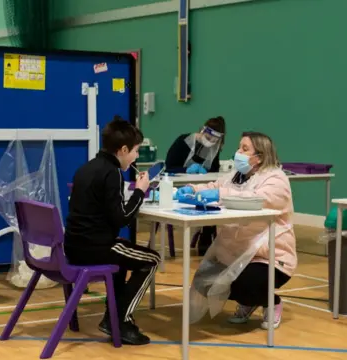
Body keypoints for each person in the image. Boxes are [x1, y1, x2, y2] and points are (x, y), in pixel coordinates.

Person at [180, 131, 297, 329]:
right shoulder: (236, 176)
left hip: (268, 257)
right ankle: (249, 301)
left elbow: (255, 198)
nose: (238, 152)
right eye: (239, 147)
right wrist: (192, 188)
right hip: (236, 253)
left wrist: (219, 194)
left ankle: (271, 302)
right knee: (206, 281)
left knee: (243, 284)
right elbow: (215, 185)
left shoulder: (276, 179)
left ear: (259, 157)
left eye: (244, 149)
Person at [64, 116, 160, 345]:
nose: (136, 156)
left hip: (74, 246)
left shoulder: (86, 168)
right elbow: (122, 219)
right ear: (123, 149)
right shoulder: (112, 173)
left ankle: (113, 317)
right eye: (136, 151)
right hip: (95, 248)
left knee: (124, 255)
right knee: (152, 260)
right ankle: (122, 320)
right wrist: (140, 192)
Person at [165, 116, 226, 255]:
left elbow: (214, 171)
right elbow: (169, 167)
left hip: (202, 186)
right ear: (202, 130)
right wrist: (186, 170)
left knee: (212, 201)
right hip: (179, 184)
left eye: (214, 141)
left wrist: (205, 174)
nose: (210, 142)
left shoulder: (213, 149)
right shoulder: (183, 141)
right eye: (208, 138)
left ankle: (206, 237)